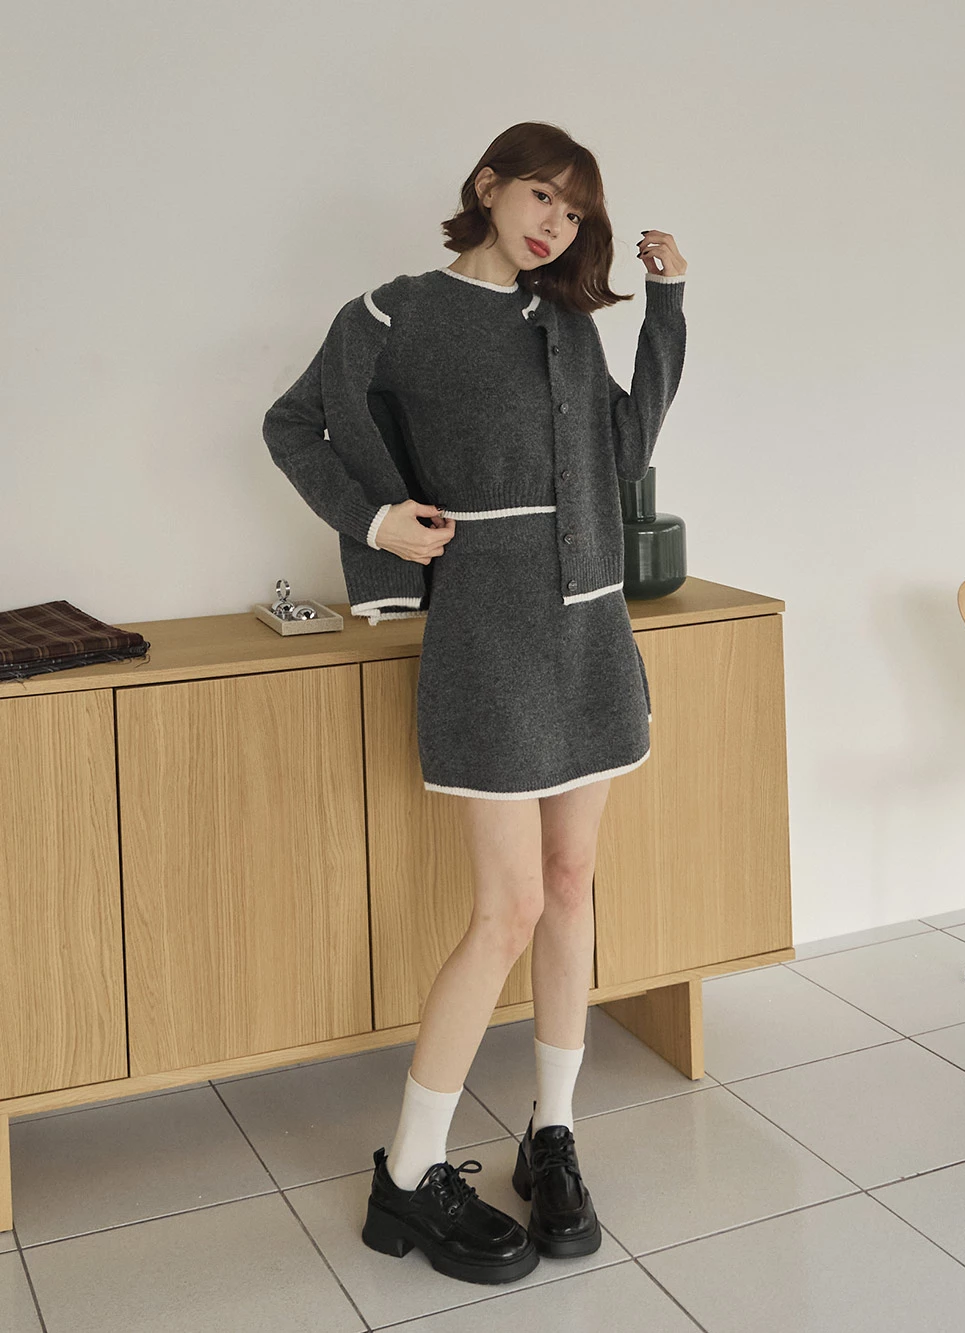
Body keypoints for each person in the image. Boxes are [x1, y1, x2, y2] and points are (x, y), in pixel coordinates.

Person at [262, 120, 687, 1287]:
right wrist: (375, 519)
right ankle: (406, 1173)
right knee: (505, 909)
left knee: (568, 883)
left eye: (574, 211)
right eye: (542, 195)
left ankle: (552, 1132)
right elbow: (293, 424)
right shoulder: (395, 314)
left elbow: (624, 449)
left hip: (589, 630)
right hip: (489, 638)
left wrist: (665, 309)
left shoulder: (562, 321)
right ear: (488, 186)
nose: (555, 223)